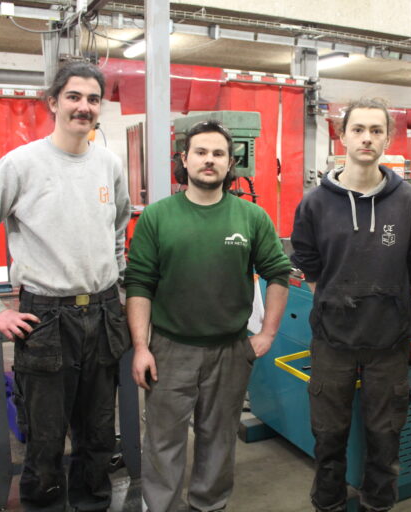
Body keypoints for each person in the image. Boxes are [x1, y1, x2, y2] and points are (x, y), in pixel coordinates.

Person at [0, 61, 131, 512]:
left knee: (98, 433)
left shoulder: (109, 164)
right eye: (74, 97)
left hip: (104, 313)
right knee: (46, 437)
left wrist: (118, 277)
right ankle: (45, 504)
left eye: (93, 99)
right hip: (47, 319)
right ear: (53, 102)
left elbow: (117, 227)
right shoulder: (21, 164)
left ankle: (93, 503)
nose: (84, 107)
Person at [126, 119, 291, 512]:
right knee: (163, 441)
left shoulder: (251, 217)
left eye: (218, 153)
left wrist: (267, 333)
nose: (209, 160)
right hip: (169, 349)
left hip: (229, 351)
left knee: (218, 439)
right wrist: (141, 347)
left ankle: (208, 505)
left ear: (230, 163)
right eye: (200, 152)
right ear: (185, 159)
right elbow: (139, 284)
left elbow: (278, 274)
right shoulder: (157, 217)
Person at [290, 98, 411, 512]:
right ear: (342, 136)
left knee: (386, 436)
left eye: (376, 130)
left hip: (389, 342)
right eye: (358, 129)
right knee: (328, 436)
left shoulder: (410, 202)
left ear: (388, 139)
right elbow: (308, 262)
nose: (367, 138)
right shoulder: (315, 203)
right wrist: (334, 297)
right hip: (332, 340)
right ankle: (328, 504)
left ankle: (378, 504)